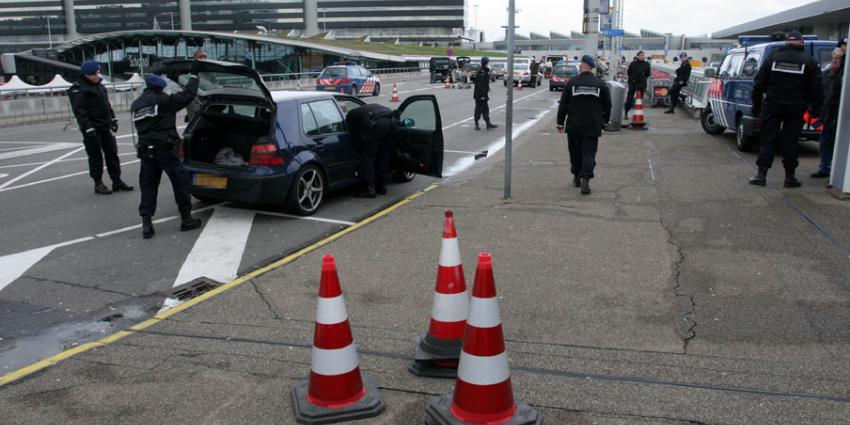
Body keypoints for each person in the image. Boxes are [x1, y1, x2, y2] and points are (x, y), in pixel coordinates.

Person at [131, 68, 202, 239]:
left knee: (148, 186)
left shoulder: (137, 104)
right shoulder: (163, 101)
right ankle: (186, 219)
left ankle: (146, 225)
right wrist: (193, 75)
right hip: (166, 149)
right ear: (160, 88)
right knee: (180, 181)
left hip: (146, 150)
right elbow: (188, 95)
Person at [749, 31, 822, 188]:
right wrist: (815, 110)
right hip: (796, 107)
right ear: (801, 43)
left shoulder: (773, 58)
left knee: (768, 139)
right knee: (791, 141)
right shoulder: (809, 61)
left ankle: (761, 175)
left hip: (773, 104)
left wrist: (756, 107)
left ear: (786, 43)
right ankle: (790, 178)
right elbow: (817, 88)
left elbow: (758, 84)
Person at [68, 61, 134, 195]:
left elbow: (106, 105)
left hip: (104, 126)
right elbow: (80, 112)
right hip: (92, 129)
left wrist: (113, 119)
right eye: (94, 74)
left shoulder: (99, 86)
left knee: (112, 155)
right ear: (86, 74)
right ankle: (98, 183)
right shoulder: (78, 88)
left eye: (97, 73)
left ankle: (117, 181)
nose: (97, 75)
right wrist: (88, 128)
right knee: (95, 157)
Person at [556, 55, 612, 195]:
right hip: (593, 125)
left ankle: (576, 175)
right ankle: (585, 179)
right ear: (592, 67)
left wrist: (560, 122)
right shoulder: (600, 84)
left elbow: (563, 104)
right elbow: (608, 105)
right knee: (589, 153)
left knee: (575, 152)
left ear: (582, 65)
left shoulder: (572, 82)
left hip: (574, 125)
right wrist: (605, 121)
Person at [345, 103, 395, 198]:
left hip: (377, 124)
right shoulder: (365, 109)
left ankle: (369, 189)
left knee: (367, 156)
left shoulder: (350, 117)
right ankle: (381, 186)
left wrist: (360, 150)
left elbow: (355, 137)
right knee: (384, 154)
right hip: (391, 122)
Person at [812, 47, 845, 178]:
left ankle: (835, 173)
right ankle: (824, 168)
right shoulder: (827, 74)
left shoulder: (844, 77)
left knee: (836, 146)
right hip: (827, 116)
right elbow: (822, 94)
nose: (835, 61)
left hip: (838, 116)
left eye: (838, 59)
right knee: (825, 143)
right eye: (834, 58)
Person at [473, 56, 498, 131]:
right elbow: (480, 85)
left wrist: (488, 88)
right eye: (487, 62)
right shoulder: (482, 72)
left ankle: (488, 123)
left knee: (485, 109)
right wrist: (483, 95)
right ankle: (476, 124)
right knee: (479, 109)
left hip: (483, 93)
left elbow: (484, 83)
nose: (488, 64)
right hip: (480, 95)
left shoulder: (484, 70)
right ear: (485, 63)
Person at [184, 49, 208, 123]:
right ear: (195, 58)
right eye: (200, 56)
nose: (203, 58)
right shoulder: (191, 72)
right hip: (195, 101)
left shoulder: (209, 71)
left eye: (205, 56)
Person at [625, 51, 651, 117]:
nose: (641, 56)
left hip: (641, 84)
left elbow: (648, 73)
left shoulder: (646, 64)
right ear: (637, 56)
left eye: (642, 55)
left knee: (639, 99)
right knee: (629, 98)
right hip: (633, 83)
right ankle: (626, 112)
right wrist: (632, 79)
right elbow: (629, 72)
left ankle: (638, 113)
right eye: (640, 55)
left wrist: (643, 78)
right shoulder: (633, 64)